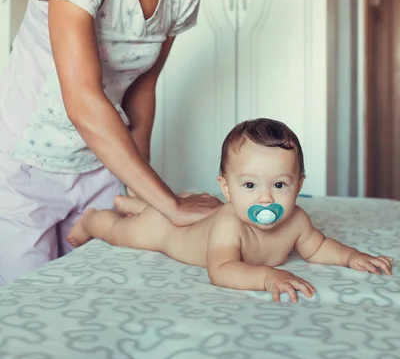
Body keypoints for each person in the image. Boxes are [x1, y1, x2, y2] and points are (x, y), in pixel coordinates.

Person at [0, 0, 222, 286]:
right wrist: (169, 202)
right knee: (26, 308)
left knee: (93, 295)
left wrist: (139, 191)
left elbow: (141, 91)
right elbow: (82, 100)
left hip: (101, 169)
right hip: (24, 166)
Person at [68, 118, 393, 303]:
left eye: (279, 185)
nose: (265, 199)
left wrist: (350, 256)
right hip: (166, 232)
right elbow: (221, 269)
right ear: (226, 189)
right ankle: (95, 219)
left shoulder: (296, 221)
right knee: (124, 232)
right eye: (250, 186)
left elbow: (318, 247)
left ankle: (132, 204)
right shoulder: (229, 223)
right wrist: (267, 277)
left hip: (192, 221)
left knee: (144, 213)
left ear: (299, 184)